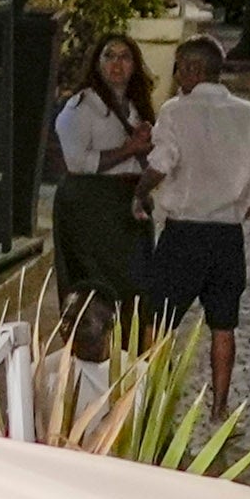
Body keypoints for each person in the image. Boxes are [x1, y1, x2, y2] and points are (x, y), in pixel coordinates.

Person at [140, 36, 250, 414]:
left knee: (157, 321)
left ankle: (156, 401)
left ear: (192, 69)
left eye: (179, 66)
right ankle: (220, 406)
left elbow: (162, 161)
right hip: (226, 237)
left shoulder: (174, 112)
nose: (177, 74)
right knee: (224, 326)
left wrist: (139, 192)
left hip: (183, 234)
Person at [46, 32, 156, 312]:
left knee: (135, 287)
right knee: (97, 289)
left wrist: (144, 151)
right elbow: (78, 163)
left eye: (124, 57)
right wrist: (130, 148)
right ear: (97, 63)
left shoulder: (135, 107)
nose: (116, 64)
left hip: (127, 206)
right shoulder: (80, 107)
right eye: (109, 56)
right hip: (90, 206)